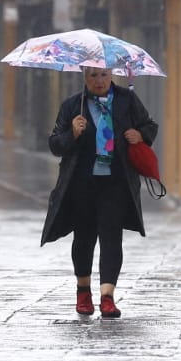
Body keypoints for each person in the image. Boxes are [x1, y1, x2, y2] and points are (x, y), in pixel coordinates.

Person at [40, 63, 159, 318]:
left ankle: (108, 297)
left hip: (116, 183)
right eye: (93, 75)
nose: (99, 80)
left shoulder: (127, 100)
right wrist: (72, 132)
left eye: (104, 75)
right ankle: (83, 292)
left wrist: (140, 135)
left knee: (111, 238)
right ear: (85, 76)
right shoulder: (74, 105)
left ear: (111, 75)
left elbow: (150, 126)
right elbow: (55, 144)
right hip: (81, 183)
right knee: (83, 238)